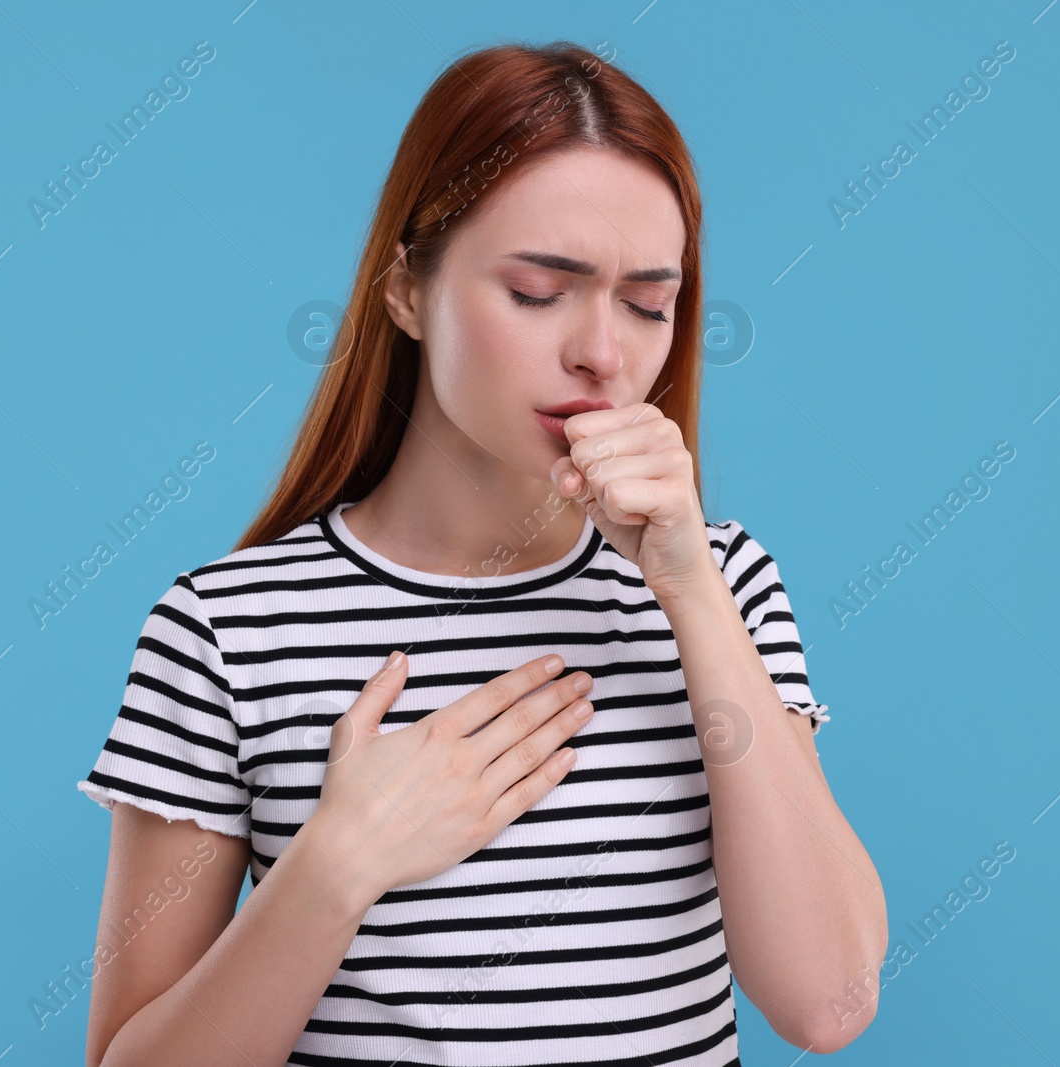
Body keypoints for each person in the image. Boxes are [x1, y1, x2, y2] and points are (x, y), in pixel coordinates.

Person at [76, 40, 886, 1067]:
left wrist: (689, 588)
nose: (604, 351)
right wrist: (338, 863)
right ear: (407, 290)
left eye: (648, 301)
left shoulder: (725, 586)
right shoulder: (227, 631)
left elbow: (830, 1002)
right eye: (540, 289)